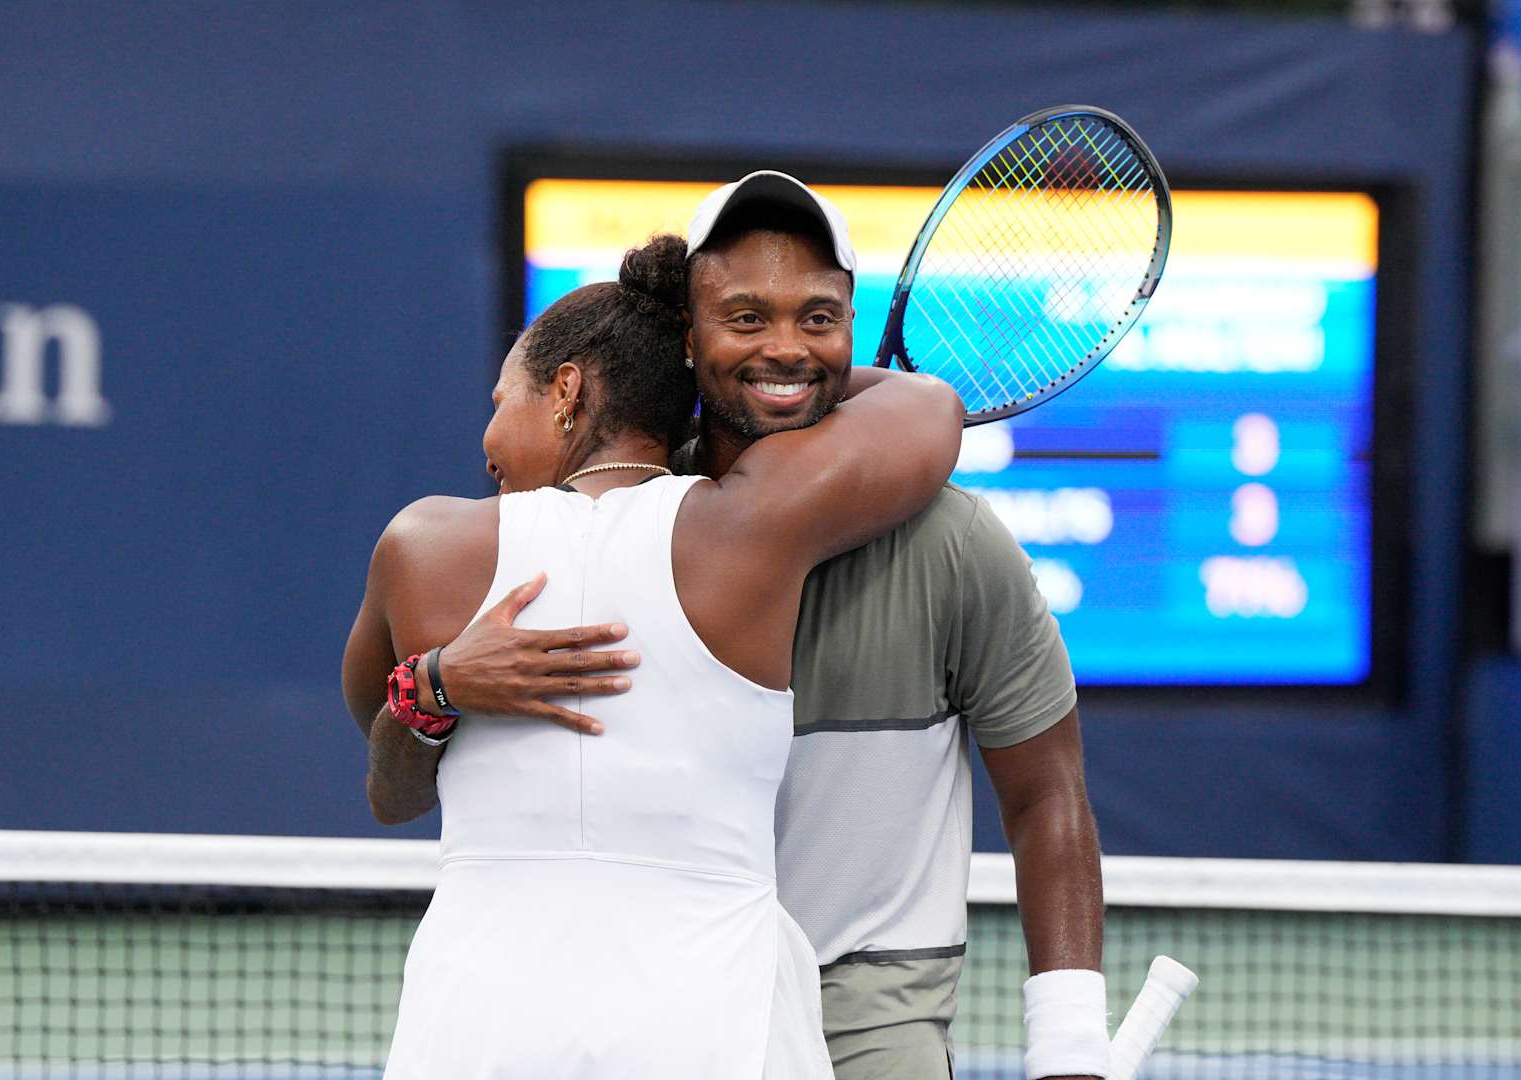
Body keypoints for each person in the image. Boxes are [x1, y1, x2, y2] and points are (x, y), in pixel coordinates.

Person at [370, 173, 1109, 1080]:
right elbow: (928, 408)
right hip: (696, 1006)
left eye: (818, 320)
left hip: (873, 1012)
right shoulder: (650, 523)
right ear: (688, 341)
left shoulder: (956, 545)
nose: (787, 348)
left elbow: (1047, 795)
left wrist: (1073, 1052)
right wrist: (435, 687)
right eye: (747, 319)